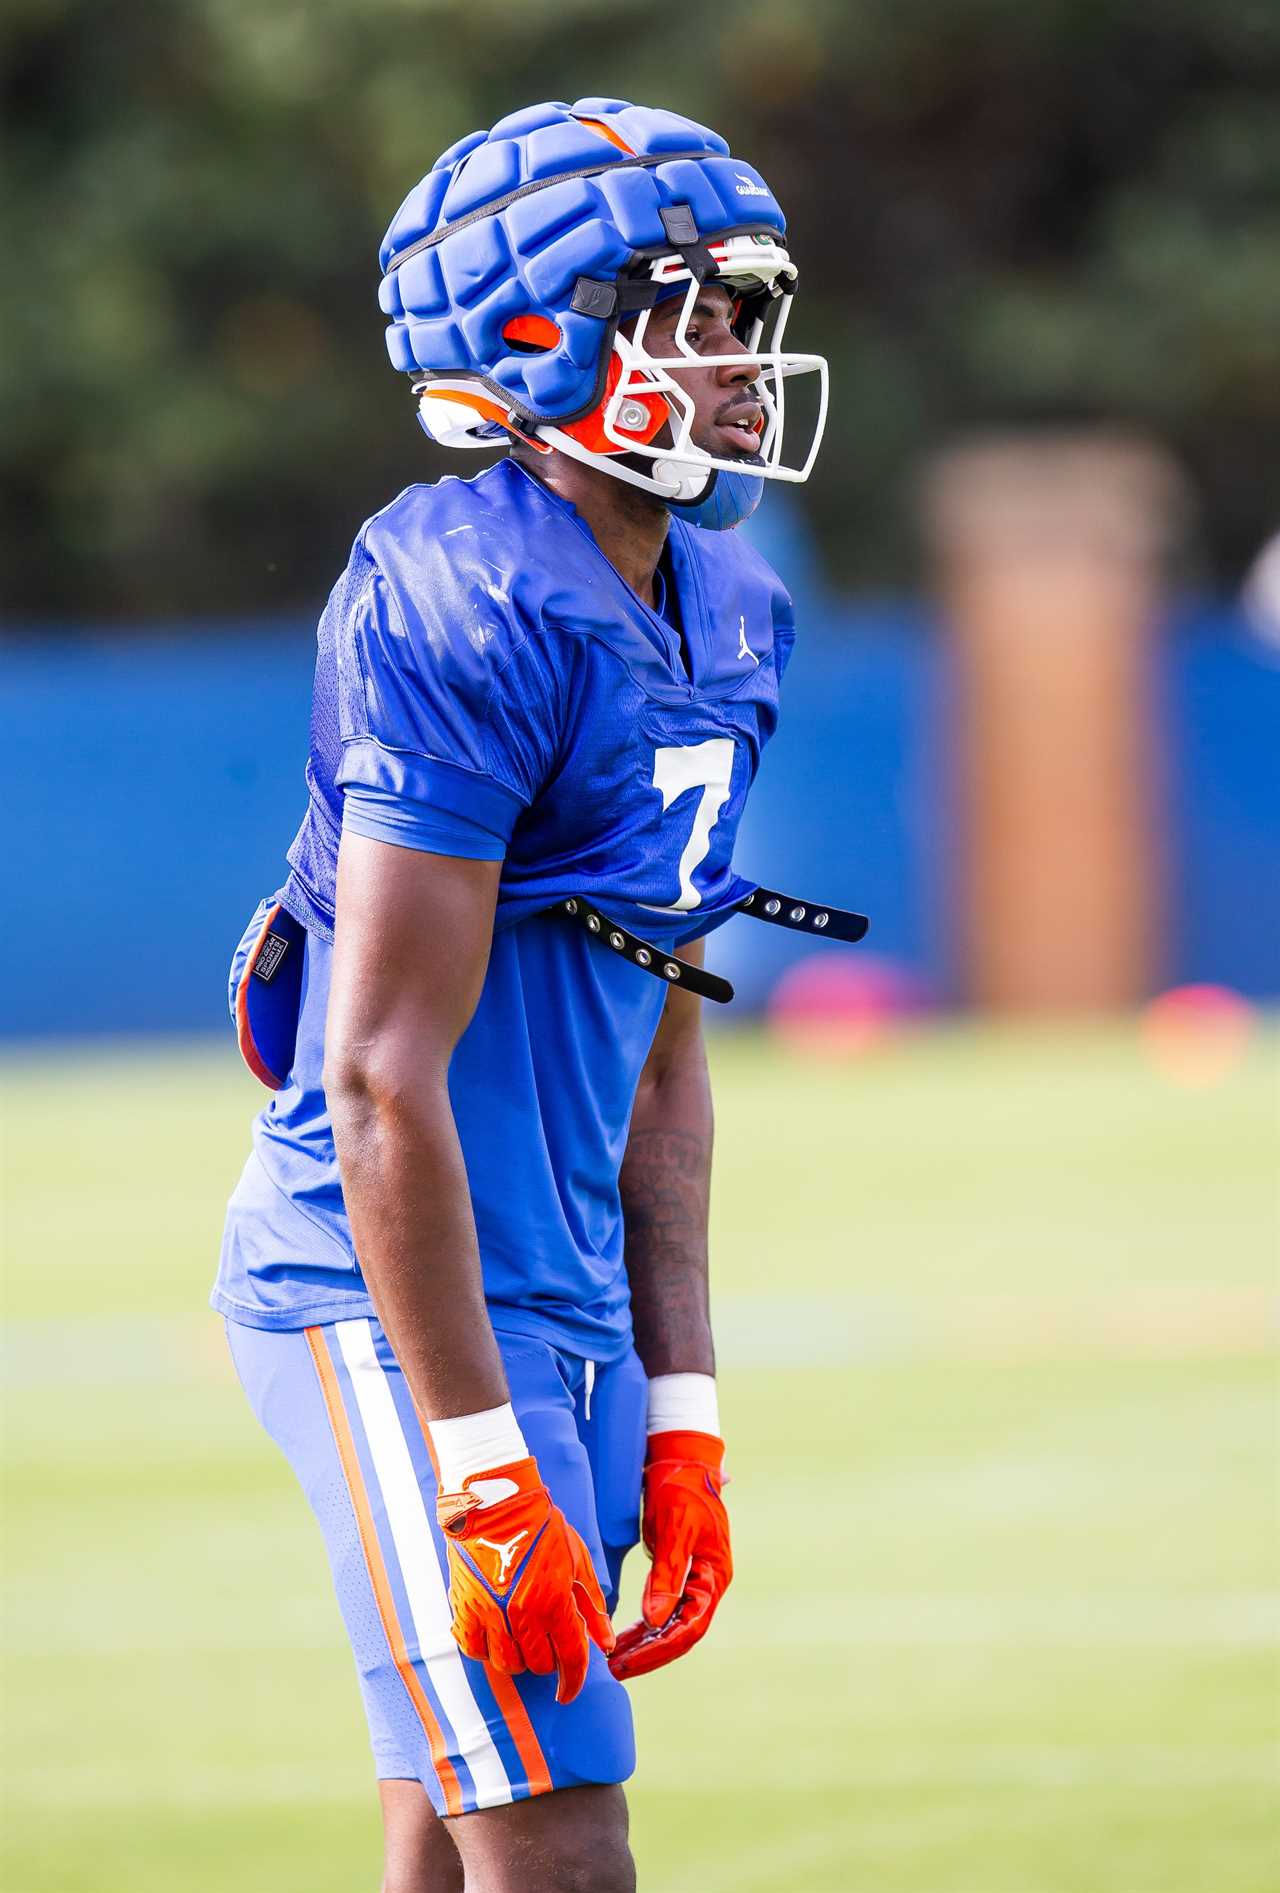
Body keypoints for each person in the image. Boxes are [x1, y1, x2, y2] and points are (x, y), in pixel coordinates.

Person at [213, 96, 834, 1893]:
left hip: (557, 1288)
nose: (737, 350)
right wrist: (481, 1457)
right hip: (382, 1285)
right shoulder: (455, 592)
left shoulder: (729, 603)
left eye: (743, 306)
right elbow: (380, 1071)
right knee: (563, 1838)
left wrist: (688, 1405)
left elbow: (665, 1039)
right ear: (544, 339)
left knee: (454, 1818)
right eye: (688, 308)